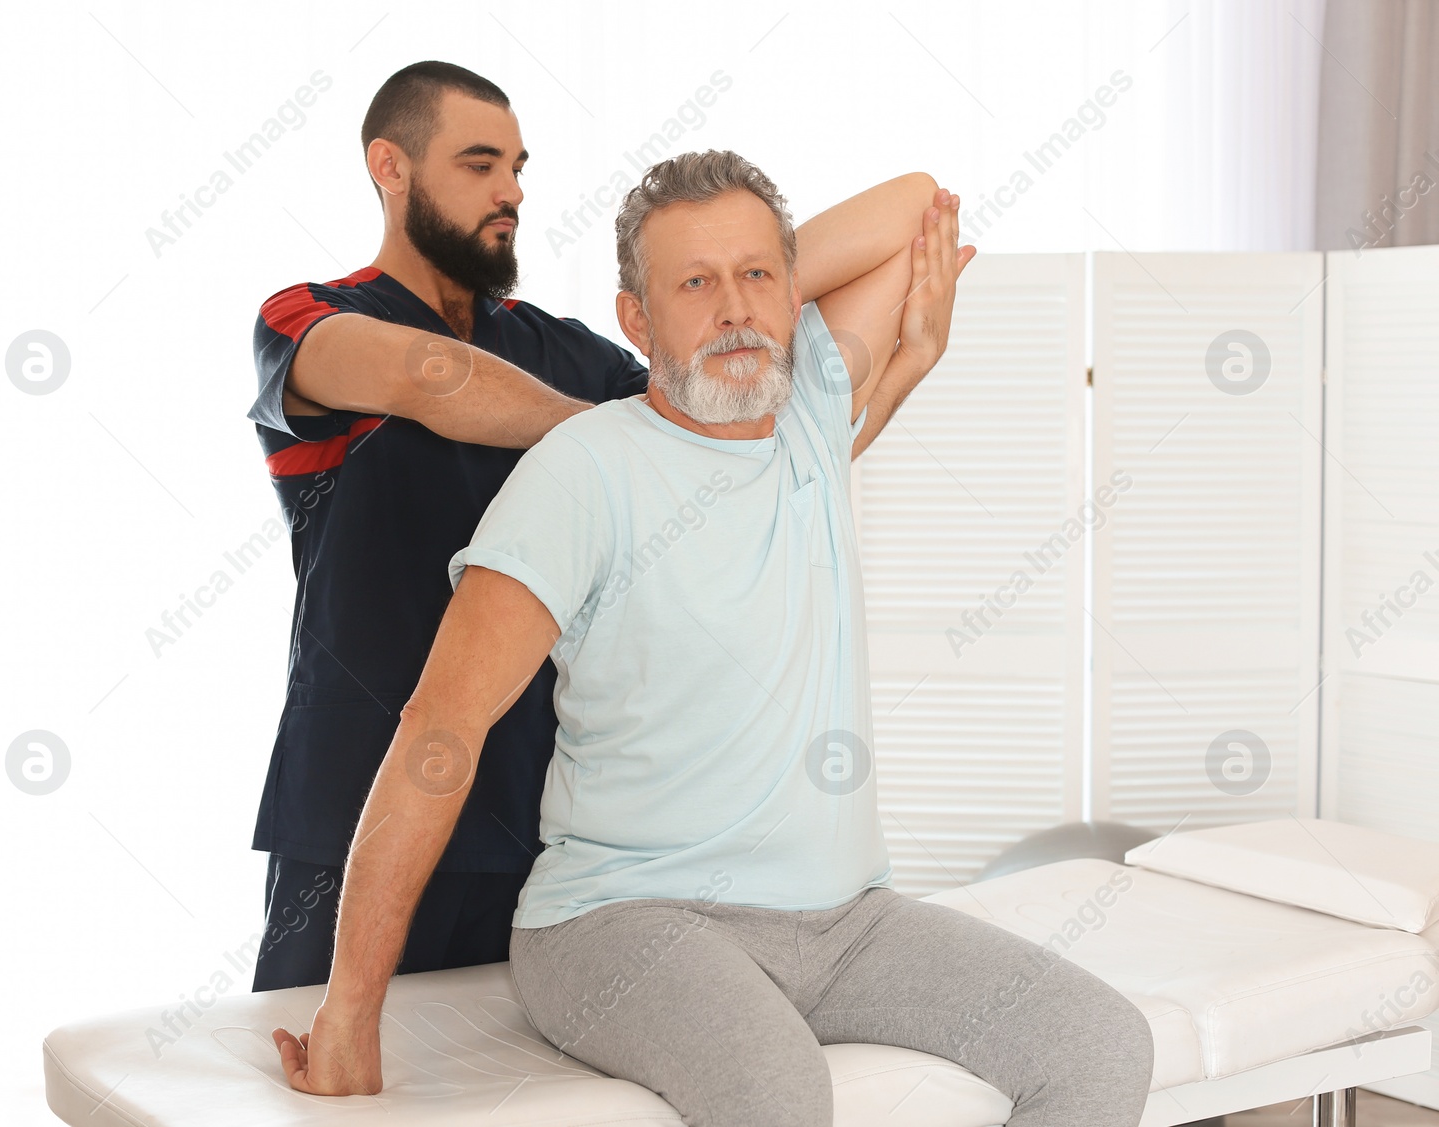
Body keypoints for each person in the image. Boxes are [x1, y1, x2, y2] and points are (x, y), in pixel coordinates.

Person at [270, 149, 1157, 1125]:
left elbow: (914, 204)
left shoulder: (809, 413)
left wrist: (752, 291)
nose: (733, 309)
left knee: (1100, 1043)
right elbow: (438, 733)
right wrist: (350, 1010)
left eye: (756, 277)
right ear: (635, 320)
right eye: (692, 284)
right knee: (775, 1088)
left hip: (846, 921)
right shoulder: (583, 472)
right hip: (619, 922)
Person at [246, 61, 948, 990]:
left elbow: (725, 467)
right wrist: (613, 444)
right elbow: (432, 377)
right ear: (391, 166)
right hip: (355, 809)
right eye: (479, 164)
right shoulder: (309, 318)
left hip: (530, 823)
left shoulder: (566, 345)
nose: (513, 192)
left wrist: (737, 286)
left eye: (520, 167)